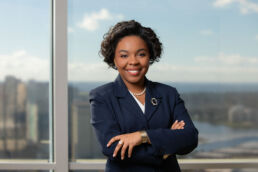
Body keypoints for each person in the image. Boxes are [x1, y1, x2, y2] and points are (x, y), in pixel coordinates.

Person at [89, 20, 198, 172]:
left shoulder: (168, 94)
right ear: (114, 59)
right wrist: (166, 146)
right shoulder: (102, 96)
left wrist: (142, 136)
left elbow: (190, 138)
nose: (133, 62)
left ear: (150, 56)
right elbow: (113, 149)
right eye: (124, 55)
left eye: (141, 54)